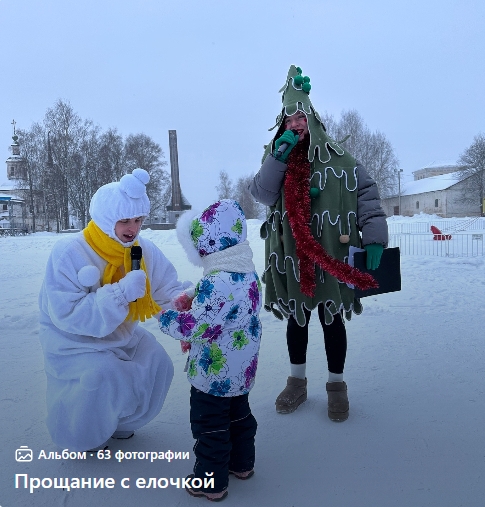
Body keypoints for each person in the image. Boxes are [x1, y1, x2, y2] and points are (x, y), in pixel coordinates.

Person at [249, 65, 388, 422]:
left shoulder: (342, 159)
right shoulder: (275, 157)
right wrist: (277, 158)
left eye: (302, 117)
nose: (296, 124)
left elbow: (368, 197)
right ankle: (296, 383)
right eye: (290, 118)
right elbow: (263, 195)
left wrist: (374, 240)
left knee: (331, 320)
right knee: (298, 320)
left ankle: (336, 387)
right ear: (283, 124)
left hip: (332, 254)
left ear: (314, 120)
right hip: (292, 257)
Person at [38, 168, 191, 451]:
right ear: (108, 219)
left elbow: (165, 288)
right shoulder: (70, 252)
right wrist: (120, 293)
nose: (132, 227)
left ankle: (122, 422)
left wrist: (184, 303)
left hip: (121, 336)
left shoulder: (141, 249)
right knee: (100, 375)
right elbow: (66, 314)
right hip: (74, 342)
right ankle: (80, 437)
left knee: (157, 361)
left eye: (138, 219)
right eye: (124, 220)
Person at [158, 199, 261, 502]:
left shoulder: (218, 283)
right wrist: (193, 293)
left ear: (207, 245)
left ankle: (210, 481)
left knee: (210, 426)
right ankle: (242, 465)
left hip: (213, 374)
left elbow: (197, 325)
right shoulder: (245, 272)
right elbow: (223, 295)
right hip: (241, 370)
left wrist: (165, 317)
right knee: (239, 416)